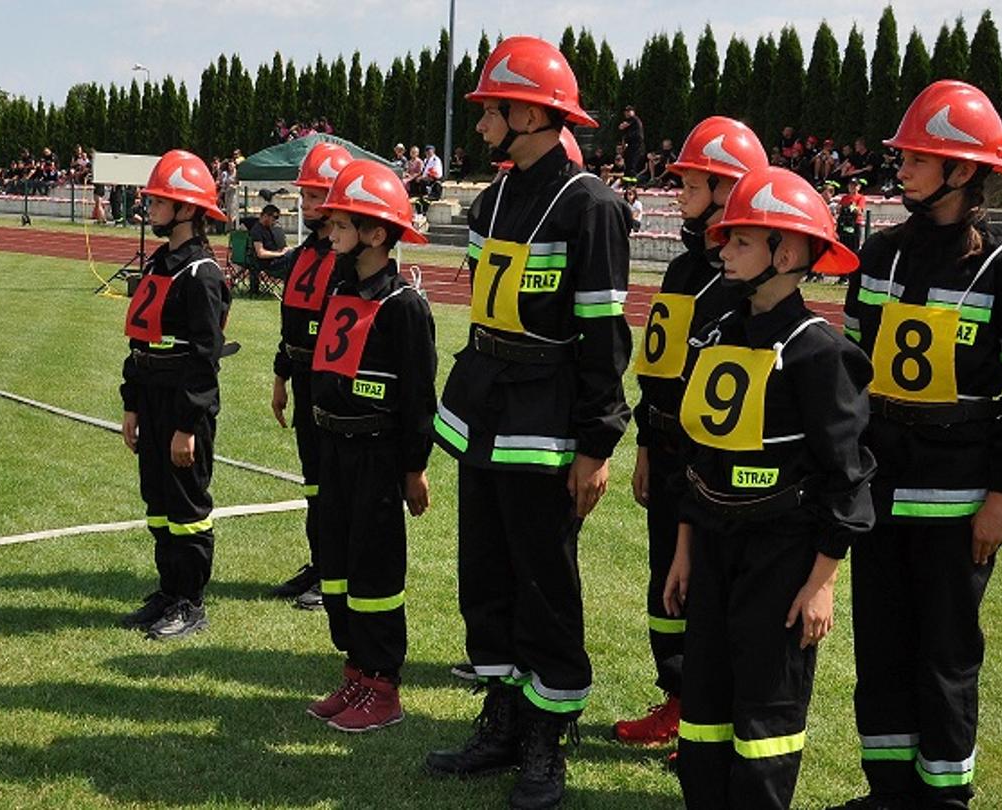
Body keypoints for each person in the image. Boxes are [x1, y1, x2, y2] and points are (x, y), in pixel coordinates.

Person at [832, 79, 1002, 810]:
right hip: (880, 493)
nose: (900, 166)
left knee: (944, 657)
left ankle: (944, 799)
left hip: (959, 498)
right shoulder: (878, 257)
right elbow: (849, 378)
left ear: (961, 172)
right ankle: (889, 793)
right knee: (881, 653)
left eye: (917, 157)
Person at [424, 37, 632, 810]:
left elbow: (604, 336)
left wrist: (597, 443)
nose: (480, 124)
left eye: (491, 110)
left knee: (546, 584)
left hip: (547, 422)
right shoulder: (491, 199)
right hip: (486, 407)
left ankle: (547, 740)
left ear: (532, 114)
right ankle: (504, 720)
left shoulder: (592, 205)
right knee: (486, 574)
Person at [665, 165, 875, 809]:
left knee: (767, 706)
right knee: (705, 696)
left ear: (786, 253)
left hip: (781, 558)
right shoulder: (716, 334)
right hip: (714, 545)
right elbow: (697, 453)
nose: (721, 249)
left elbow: (848, 479)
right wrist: (683, 549)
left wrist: (820, 584)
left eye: (740, 242)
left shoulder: (820, 353)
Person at [617, 116, 770, 752]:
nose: (676, 188)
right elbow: (658, 370)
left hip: (720, 471)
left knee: (710, 589)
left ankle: (712, 711)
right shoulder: (682, 271)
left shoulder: (747, 282)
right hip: (671, 456)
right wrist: (647, 447)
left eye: (690, 179)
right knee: (666, 583)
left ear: (728, 188)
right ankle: (678, 697)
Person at [303, 159, 437, 733]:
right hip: (333, 452)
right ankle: (356, 671)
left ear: (377, 233)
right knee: (337, 568)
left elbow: (418, 397)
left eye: (341, 225)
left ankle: (382, 685)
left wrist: (414, 469)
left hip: (376, 458)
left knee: (375, 573)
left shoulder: (404, 305)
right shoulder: (341, 287)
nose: (329, 233)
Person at [118, 149, 232, 641]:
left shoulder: (202, 274)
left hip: (183, 409)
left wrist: (188, 425)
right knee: (158, 502)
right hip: (152, 399)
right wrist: (131, 403)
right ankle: (168, 591)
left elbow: (205, 359)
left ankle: (190, 601)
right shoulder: (161, 263)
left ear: (187, 210)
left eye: (161, 201)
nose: (152, 207)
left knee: (186, 509)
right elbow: (140, 342)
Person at [266, 142, 354, 609]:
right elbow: (291, 323)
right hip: (302, 380)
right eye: (306, 197)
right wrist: (282, 377)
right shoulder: (304, 254)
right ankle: (320, 564)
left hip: (331, 387)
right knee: (315, 485)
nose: (307, 205)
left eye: (316, 196)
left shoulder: (347, 264)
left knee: (335, 486)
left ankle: (336, 571)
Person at [249, 204, 293, 271]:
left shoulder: (268, 228)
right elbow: (261, 253)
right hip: (268, 263)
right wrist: (280, 254)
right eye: (274, 218)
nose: (275, 221)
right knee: (292, 258)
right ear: (265, 216)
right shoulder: (257, 230)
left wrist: (284, 250)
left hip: (275, 258)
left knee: (297, 252)